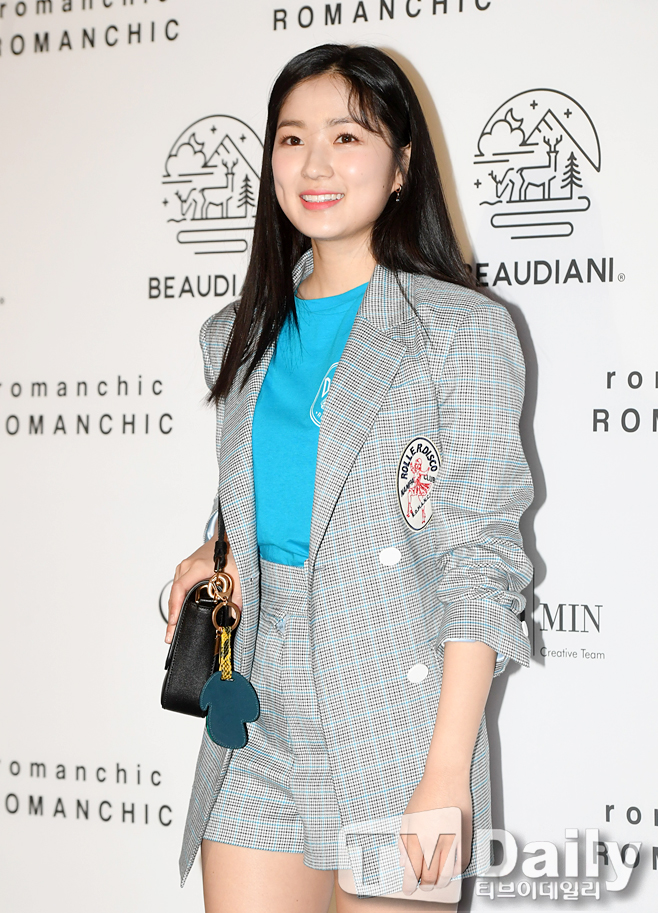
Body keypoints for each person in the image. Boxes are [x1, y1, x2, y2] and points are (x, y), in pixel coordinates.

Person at [165, 43, 533, 913]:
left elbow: (479, 565)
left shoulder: (460, 331)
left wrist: (446, 772)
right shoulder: (236, 334)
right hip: (255, 714)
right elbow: (273, 490)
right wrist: (219, 547)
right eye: (292, 139)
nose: (315, 165)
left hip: (395, 718)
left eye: (346, 137)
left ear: (401, 166)